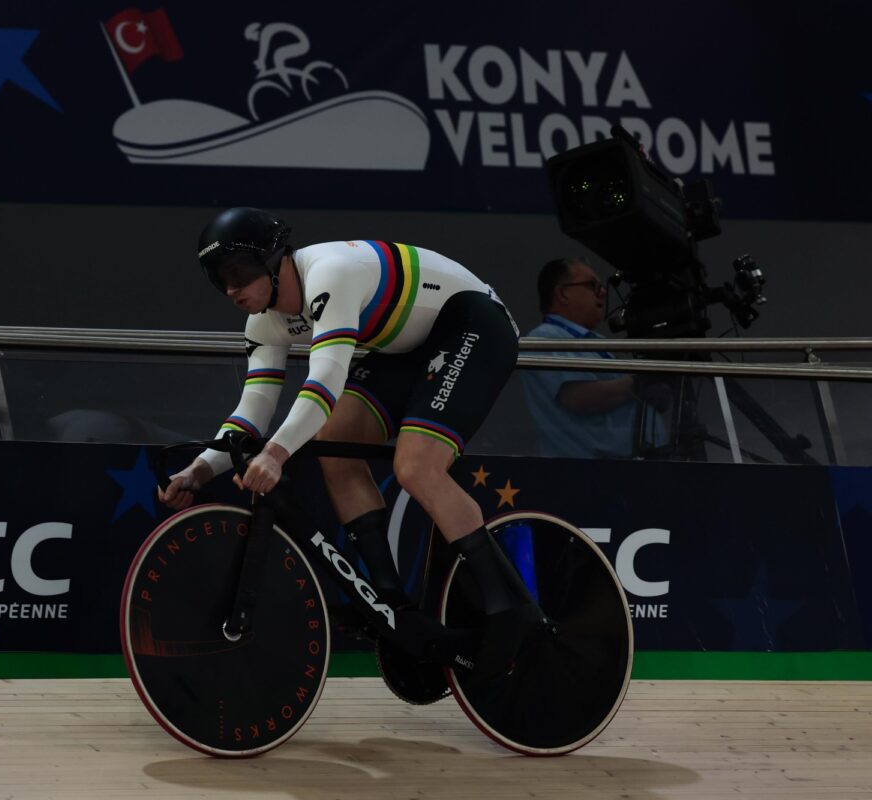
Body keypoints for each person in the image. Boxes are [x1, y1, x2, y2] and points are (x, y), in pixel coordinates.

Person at [158, 206, 538, 680]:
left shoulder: (330, 273)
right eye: (220, 279)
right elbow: (251, 413)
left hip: (471, 323)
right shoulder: (263, 323)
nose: (232, 289)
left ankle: (510, 608)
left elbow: (326, 379)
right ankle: (391, 603)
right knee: (334, 445)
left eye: (239, 272)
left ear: (278, 260)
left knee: (416, 466)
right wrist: (198, 470)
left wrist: (276, 454)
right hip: (400, 347)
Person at [521, 257, 667, 459]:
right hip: (590, 475)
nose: (603, 292)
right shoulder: (545, 337)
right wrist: (639, 383)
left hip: (628, 468)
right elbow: (577, 398)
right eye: (592, 285)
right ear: (563, 293)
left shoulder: (594, 340)